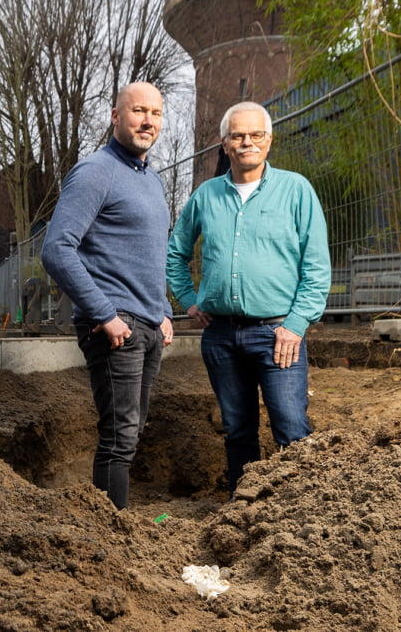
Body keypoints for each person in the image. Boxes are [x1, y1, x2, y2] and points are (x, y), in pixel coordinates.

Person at [166, 101, 331, 493]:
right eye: (237, 136)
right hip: (221, 337)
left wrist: (296, 324)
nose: (247, 143)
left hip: (278, 335)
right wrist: (189, 299)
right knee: (237, 430)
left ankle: (303, 510)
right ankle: (243, 508)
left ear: (269, 140)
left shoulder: (296, 190)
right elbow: (175, 253)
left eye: (256, 135)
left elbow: (317, 266)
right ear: (224, 144)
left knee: (291, 428)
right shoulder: (206, 196)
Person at [41, 82, 175, 510]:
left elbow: (151, 253)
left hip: (148, 325)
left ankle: (114, 526)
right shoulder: (95, 172)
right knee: (118, 437)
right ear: (116, 116)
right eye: (138, 111)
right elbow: (57, 249)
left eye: (155, 113)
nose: (148, 121)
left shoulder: (152, 181)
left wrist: (163, 310)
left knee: (130, 433)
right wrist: (104, 313)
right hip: (115, 325)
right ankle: (111, 535)